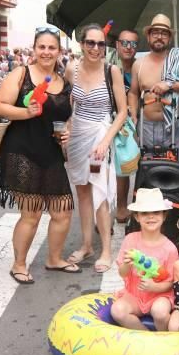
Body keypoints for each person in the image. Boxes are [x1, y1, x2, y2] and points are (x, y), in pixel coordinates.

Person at [0, 25, 77, 284]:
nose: (46, 52)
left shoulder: (64, 83)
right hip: (21, 149)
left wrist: (66, 134)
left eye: (52, 47)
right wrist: (25, 113)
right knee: (32, 213)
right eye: (42, 47)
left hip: (50, 152)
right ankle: (19, 264)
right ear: (34, 48)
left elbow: (66, 119)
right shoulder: (22, 73)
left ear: (59, 51)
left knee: (63, 211)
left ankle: (54, 258)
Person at [64, 24, 127, 273]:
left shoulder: (112, 71)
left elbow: (122, 112)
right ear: (82, 44)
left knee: (99, 193)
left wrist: (105, 142)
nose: (95, 48)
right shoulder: (72, 69)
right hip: (77, 136)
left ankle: (106, 250)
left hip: (101, 134)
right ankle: (87, 244)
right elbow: (69, 105)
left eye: (101, 44)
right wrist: (66, 131)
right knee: (82, 192)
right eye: (90, 43)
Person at [128, 14, 179, 161]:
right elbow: (133, 93)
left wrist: (170, 84)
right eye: (155, 32)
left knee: (173, 175)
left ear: (169, 38)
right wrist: (133, 116)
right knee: (148, 174)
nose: (159, 36)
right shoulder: (138, 64)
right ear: (148, 36)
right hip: (145, 127)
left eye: (164, 33)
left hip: (173, 126)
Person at [111, 188, 177, 331]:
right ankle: (145, 335)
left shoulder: (170, 248)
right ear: (137, 217)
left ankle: (164, 338)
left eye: (156, 212)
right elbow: (122, 273)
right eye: (145, 213)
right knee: (117, 310)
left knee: (160, 312)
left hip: (159, 295)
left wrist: (154, 287)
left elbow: (170, 283)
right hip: (134, 294)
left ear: (164, 216)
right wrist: (127, 265)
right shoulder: (130, 240)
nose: (150, 217)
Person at [115, 28, 139, 224]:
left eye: (133, 44)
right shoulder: (107, 67)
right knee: (116, 169)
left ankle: (134, 206)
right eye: (124, 43)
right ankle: (119, 208)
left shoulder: (140, 67)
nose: (128, 48)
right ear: (117, 44)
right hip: (112, 122)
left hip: (137, 122)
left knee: (132, 164)